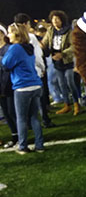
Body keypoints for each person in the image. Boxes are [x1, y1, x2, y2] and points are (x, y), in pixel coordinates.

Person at [1, 23, 44, 154]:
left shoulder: (15, 48)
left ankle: (23, 146)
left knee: (21, 118)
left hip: (22, 87)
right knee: (34, 117)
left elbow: (5, 64)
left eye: (10, 32)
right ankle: (39, 145)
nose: (8, 35)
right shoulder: (28, 46)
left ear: (17, 34)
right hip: (36, 84)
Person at [41, 10, 80, 115]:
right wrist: (40, 45)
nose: (55, 22)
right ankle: (67, 105)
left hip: (67, 60)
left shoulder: (68, 31)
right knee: (61, 83)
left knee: (70, 82)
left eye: (57, 19)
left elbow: (73, 46)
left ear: (62, 20)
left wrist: (62, 54)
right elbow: (45, 42)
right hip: (56, 61)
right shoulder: (51, 30)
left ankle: (76, 103)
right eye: (53, 20)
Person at [0, 24, 18, 148]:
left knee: (12, 112)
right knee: (6, 113)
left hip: (9, 85)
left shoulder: (8, 48)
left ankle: (20, 137)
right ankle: (14, 135)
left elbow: (8, 68)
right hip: (0, 86)